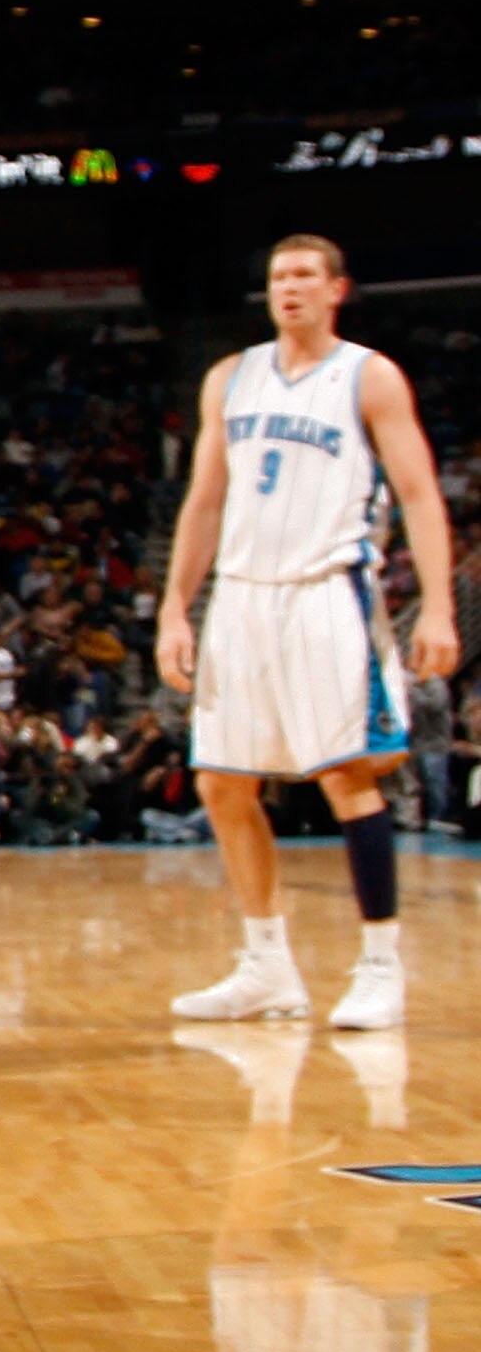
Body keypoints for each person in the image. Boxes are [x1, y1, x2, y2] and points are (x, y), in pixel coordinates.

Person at [160, 234, 459, 1031]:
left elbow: (422, 496)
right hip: (241, 598)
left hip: (329, 591)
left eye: (303, 276)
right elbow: (204, 503)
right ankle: (267, 967)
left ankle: (381, 965)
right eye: (277, 278)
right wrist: (173, 608)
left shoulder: (369, 375)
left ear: (336, 289)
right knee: (223, 783)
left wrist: (436, 606)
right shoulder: (232, 376)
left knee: (347, 775)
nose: (288, 288)